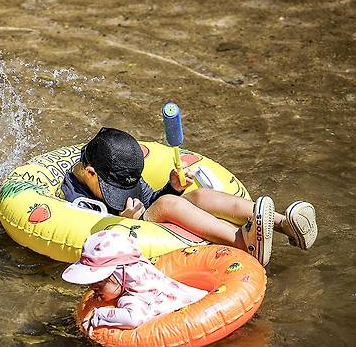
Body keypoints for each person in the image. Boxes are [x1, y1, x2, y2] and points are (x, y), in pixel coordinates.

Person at [60, 127, 318, 266]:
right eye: (115, 191)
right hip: (129, 231)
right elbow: (92, 238)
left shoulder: (121, 173)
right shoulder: (76, 196)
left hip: (146, 219)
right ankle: (241, 242)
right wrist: (126, 220)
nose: (125, 191)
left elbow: (151, 199)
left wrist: (173, 187)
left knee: (199, 196)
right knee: (167, 204)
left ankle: (284, 223)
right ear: (91, 173)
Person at [62, 230, 208, 335]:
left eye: (98, 282)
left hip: (197, 326)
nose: (91, 287)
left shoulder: (134, 298)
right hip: (203, 301)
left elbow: (134, 319)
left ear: (121, 275)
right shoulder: (145, 272)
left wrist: (99, 315)